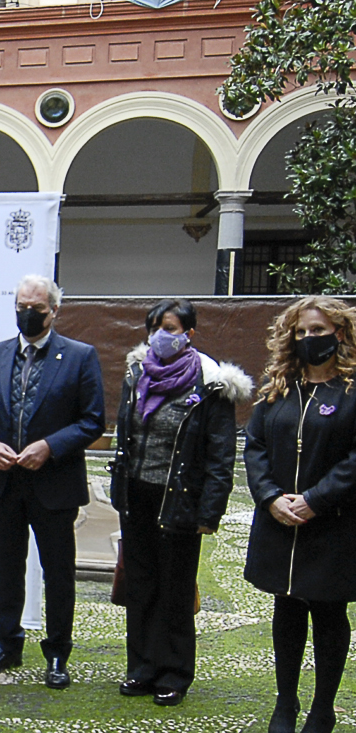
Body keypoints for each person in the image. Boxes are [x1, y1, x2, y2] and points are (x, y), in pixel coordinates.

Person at [110, 298, 250, 706]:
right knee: (141, 586)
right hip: (136, 496)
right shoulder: (137, 373)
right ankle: (141, 668)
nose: (161, 336)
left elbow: (221, 454)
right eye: (155, 327)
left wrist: (210, 511)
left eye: (170, 328)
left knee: (174, 588)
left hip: (181, 501)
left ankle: (173, 672)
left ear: (189, 334)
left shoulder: (210, 383)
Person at [0, 274, 104, 687]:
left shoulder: (80, 356)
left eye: (36, 309)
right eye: (21, 307)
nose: (27, 314)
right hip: (4, 482)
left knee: (58, 573)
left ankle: (58, 653)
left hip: (54, 484)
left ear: (54, 311)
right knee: (7, 569)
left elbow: (93, 420)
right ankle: (7, 644)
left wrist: (50, 446)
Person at [244, 296, 356, 733]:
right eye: (302, 332)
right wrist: (270, 496)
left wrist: (314, 499)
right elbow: (253, 447)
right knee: (286, 609)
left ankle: (322, 709)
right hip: (279, 523)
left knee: (328, 612)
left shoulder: (351, 392)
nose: (310, 338)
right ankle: (285, 702)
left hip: (332, 523)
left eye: (319, 330)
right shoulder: (278, 390)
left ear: (341, 334)